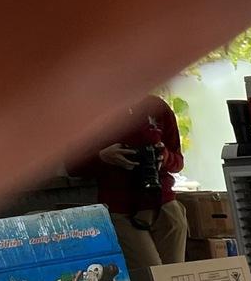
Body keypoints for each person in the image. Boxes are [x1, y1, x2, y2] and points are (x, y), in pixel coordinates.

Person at [70, 94, 187, 270]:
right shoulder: (90, 112)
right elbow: (72, 166)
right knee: (150, 276)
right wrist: (103, 157)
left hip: (164, 204)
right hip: (122, 209)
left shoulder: (157, 107)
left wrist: (164, 156)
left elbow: (178, 162)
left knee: (176, 278)